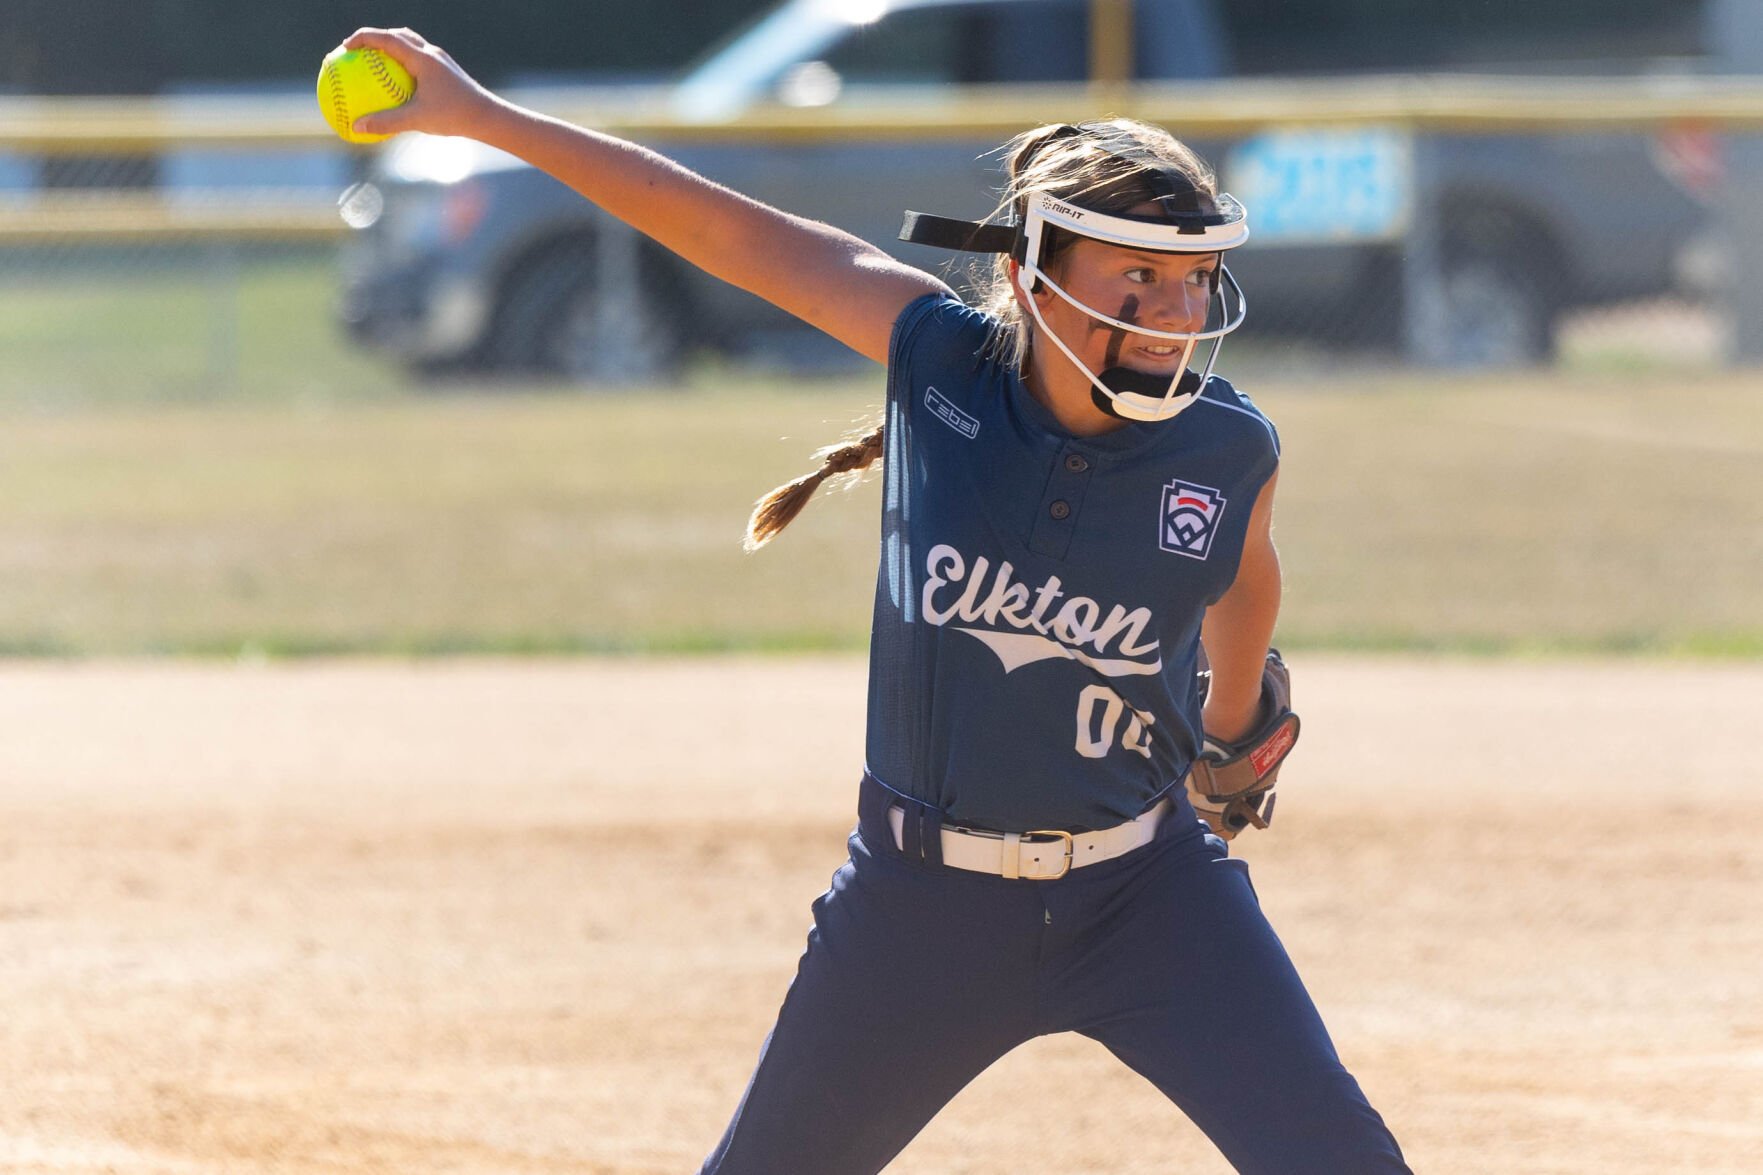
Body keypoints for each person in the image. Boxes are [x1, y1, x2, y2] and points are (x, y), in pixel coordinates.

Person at [340, 27, 1411, 1174]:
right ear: (1029, 274)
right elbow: (724, 231)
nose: (1172, 309)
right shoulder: (938, 364)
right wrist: (485, 118)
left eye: (1191, 277)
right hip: (919, 910)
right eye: (1134, 275)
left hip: (1148, 895)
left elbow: (1244, 578)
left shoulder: (1225, 444)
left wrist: (1235, 725)